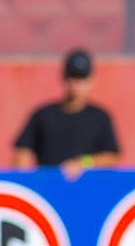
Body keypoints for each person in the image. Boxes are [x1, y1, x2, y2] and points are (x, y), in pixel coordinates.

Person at [14, 49, 120, 181]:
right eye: (72, 78)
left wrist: (83, 163)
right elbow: (23, 152)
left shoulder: (100, 117)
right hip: (49, 186)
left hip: (87, 187)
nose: (76, 85)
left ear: (91, 81)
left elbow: (111, 157)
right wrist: (25, 180)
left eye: (81, 79)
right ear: (64, 79)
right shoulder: (44, 115)